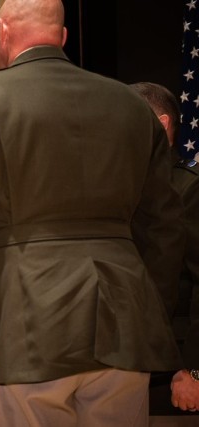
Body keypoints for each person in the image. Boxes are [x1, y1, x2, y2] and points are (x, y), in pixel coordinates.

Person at [0, 0, 185, 425]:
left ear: (3, 32)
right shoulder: (131, 107)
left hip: (26, 326)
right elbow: (165, 229)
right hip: (123, 324)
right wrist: (145, 314)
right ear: (63, 36)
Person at [130, 82, 199, 424]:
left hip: (176, 374)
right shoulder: (117, 188)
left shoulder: (190, 188)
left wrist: (194, 370)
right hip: (125, 366)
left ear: (162, 123)